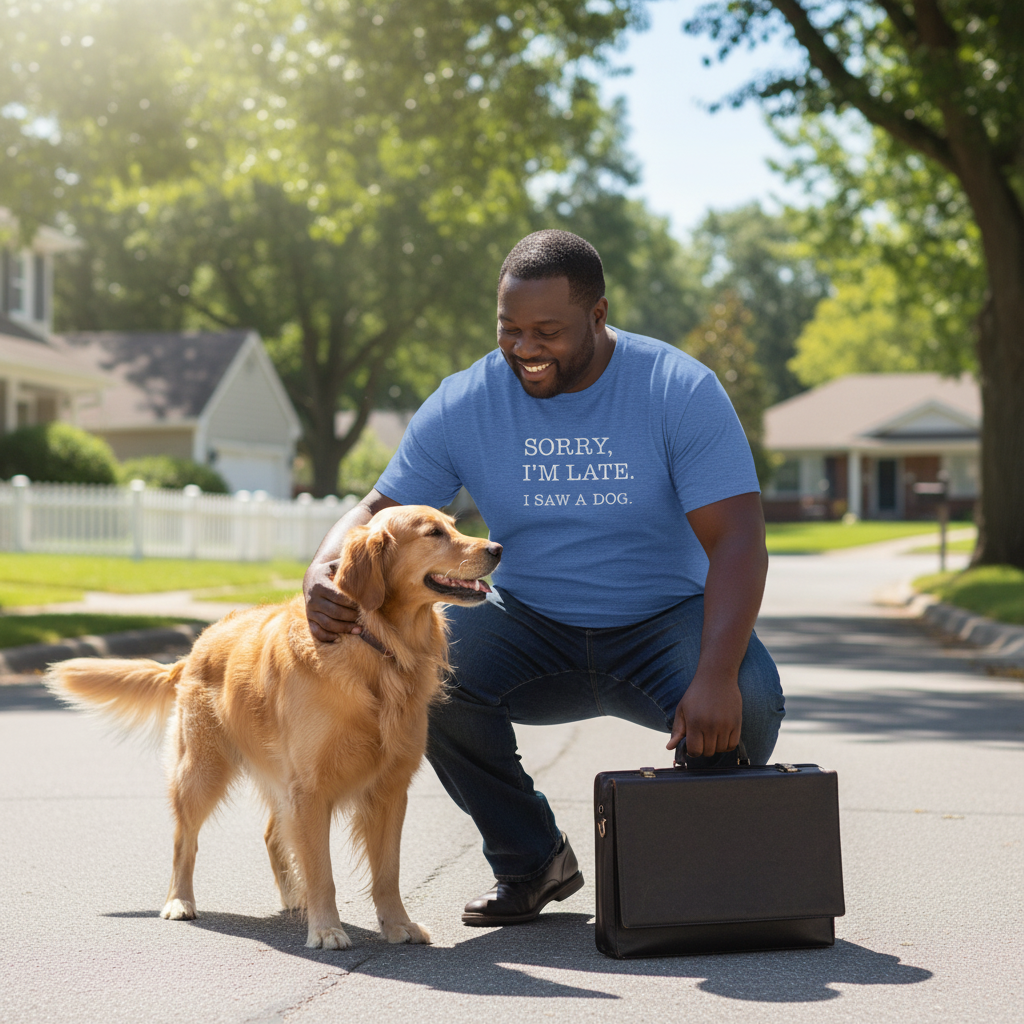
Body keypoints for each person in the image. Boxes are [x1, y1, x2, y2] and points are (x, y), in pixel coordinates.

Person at [303, 229, 784, 927]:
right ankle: (532, 862)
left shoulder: (677, 389)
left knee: (751, 699)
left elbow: (738, 539)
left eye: (548, 331)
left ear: (598, 315)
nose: (525, 347)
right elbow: (379, 508)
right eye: (510, 328)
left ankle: (692, 875)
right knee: (429, 680)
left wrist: (714, 676)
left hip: (663, 622)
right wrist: (321, 568)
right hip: (526, 620)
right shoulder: (466, 401)